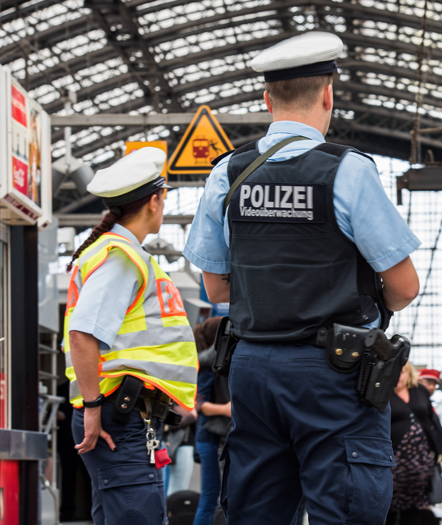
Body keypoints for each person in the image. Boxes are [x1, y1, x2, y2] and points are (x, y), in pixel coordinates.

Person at [183, 31, 421, 524]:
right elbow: (404, 287)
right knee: (346, 508)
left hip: (252, 369)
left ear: (267, 100)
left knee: (258, 510)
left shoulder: (228, 173)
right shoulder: (348, 171)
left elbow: (216, 288)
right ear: (328, 94)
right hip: (334, 372)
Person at [63, 147, 199, 525]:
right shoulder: (120, 257)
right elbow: (82, 335)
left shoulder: (124, 253)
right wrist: (92, 409)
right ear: (155, 201)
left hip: (123, 413)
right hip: (114, 414)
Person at [386, 362, 442, 525]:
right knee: (388, 503)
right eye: (393, 371)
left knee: (414, 504)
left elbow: (431, 420)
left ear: (409, 373)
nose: (398, 375)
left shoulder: (420, 392)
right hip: (394, 459)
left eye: (402, 371)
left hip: (420, 460)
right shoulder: (384, 393)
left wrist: (437, 450)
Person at [192, 317, 230, 525]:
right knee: (211, 499)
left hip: (214, 435)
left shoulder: (215, 359)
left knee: (213, 498)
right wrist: (225, 410)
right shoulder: (209, 362)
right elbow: (198, 403)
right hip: (210, 436)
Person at [417, 368, 442, 463]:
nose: (432, 388)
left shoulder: (429, 406)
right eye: (428, 383)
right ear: (418, 382)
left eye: (434, 385)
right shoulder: (417, 405)